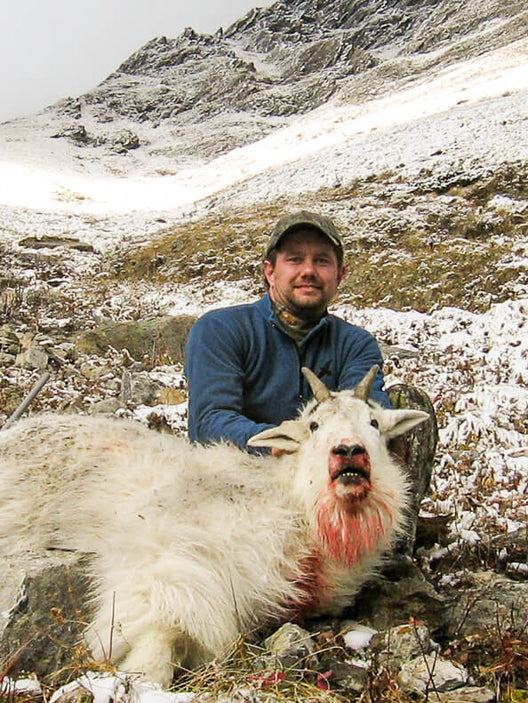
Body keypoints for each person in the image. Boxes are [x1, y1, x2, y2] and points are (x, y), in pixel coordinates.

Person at [184, 211, 438, 547]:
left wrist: (353, 431)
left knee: (405, 407)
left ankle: (388, 544)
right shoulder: (220, 330)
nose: (308, 271)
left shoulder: (355, 342)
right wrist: (280, 440)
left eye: (322, 261)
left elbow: (369, 407)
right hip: (247, 485)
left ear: (339, 274)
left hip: (332, 480)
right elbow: (210, 421)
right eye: (294, 260)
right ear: (270, 271)